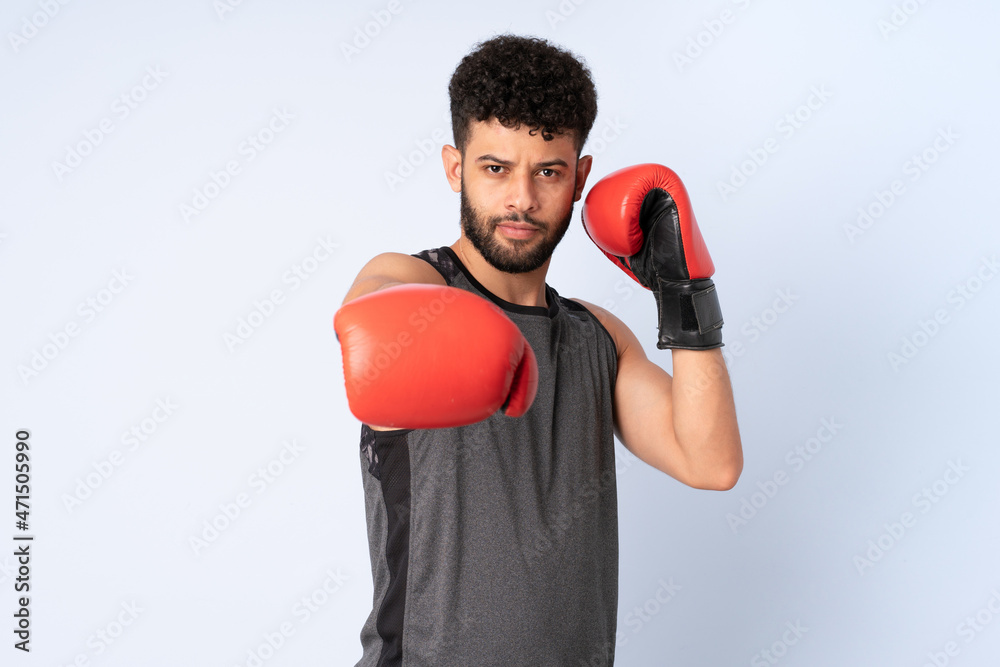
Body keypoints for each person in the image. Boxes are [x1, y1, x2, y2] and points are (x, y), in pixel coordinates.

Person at [335, 34, 742, 666]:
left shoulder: (597, 337)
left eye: (547, 171)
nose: (521, 198)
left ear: (580, 177)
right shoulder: (417, 284)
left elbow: (710, 462)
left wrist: (682, 290)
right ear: (454, 168)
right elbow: (371, 317)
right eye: (495, 168)